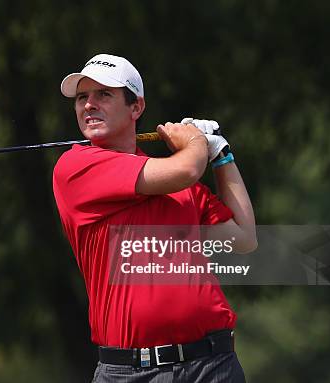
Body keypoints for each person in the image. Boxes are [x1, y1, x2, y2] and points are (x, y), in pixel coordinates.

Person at [52, 53, 257, 382]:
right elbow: (188, 167)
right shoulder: (76, 167)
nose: (89, 105)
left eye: (104, 94)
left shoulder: (177, 186)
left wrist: (220, 154)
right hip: (129, 372)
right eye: (81, 97)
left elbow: (244, 238)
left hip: (212, 365)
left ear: (136, 108)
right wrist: (194, 142)